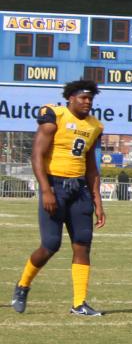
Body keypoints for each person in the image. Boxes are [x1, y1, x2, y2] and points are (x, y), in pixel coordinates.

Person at [11, 80, 105, 316]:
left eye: (90, 99)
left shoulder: (95, 126)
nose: (87, 102)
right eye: (83, 98)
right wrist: (46, 190)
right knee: (50, 245)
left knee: (82, 244)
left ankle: (79, 303)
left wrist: (98, 201)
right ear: (70, 98)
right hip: (55, 185)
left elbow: (92, 167)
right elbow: (37, 155)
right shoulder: (54, 115)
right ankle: (23, 286)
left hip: (80, 189)